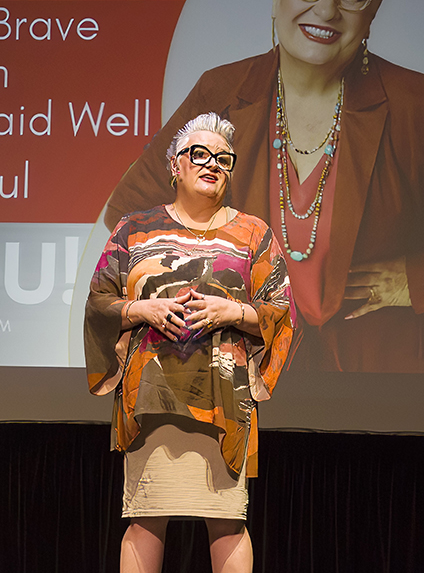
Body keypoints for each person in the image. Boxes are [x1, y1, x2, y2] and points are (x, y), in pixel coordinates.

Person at [105, 0, 424, 374]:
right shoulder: (220, 92)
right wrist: (216, 282)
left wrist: (418, 280)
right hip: (246, 372)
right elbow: (133, 217)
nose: (327, 9)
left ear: (372, 11)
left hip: (392, 378)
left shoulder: (420, 107)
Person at [85, 112, 295, 573]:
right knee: (144, 518)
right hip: (151, 399)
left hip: (224, 401)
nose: (212, 164)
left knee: (228, 521)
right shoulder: (133, 229)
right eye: (198, 154)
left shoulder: (253, 232)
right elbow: (99, 301)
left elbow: (283, 311)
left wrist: (234, 311)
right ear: (174, 166)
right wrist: (144, 309)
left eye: (223, 158)